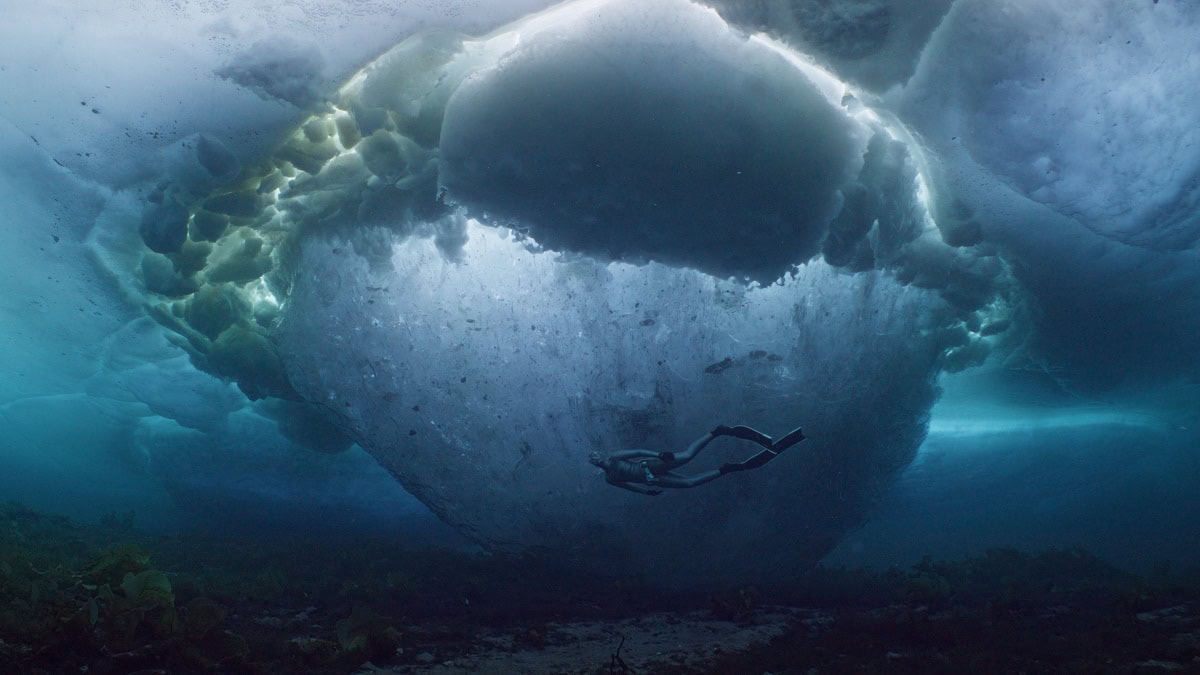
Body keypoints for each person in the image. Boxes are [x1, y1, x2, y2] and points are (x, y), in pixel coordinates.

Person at [588, 424, 805, 496]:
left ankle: (716, 432)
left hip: (649, 465)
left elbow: (635, 452)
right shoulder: (610, 478)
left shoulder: (615, 457)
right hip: (649, 479)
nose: (595, 458)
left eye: (595, 454)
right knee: (688, 483)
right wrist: (647, 491)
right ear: (595, 465)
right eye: (593, 459)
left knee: (688, 456)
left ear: (601, 453)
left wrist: (657, 454)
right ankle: (725, 469)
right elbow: (628, 486)